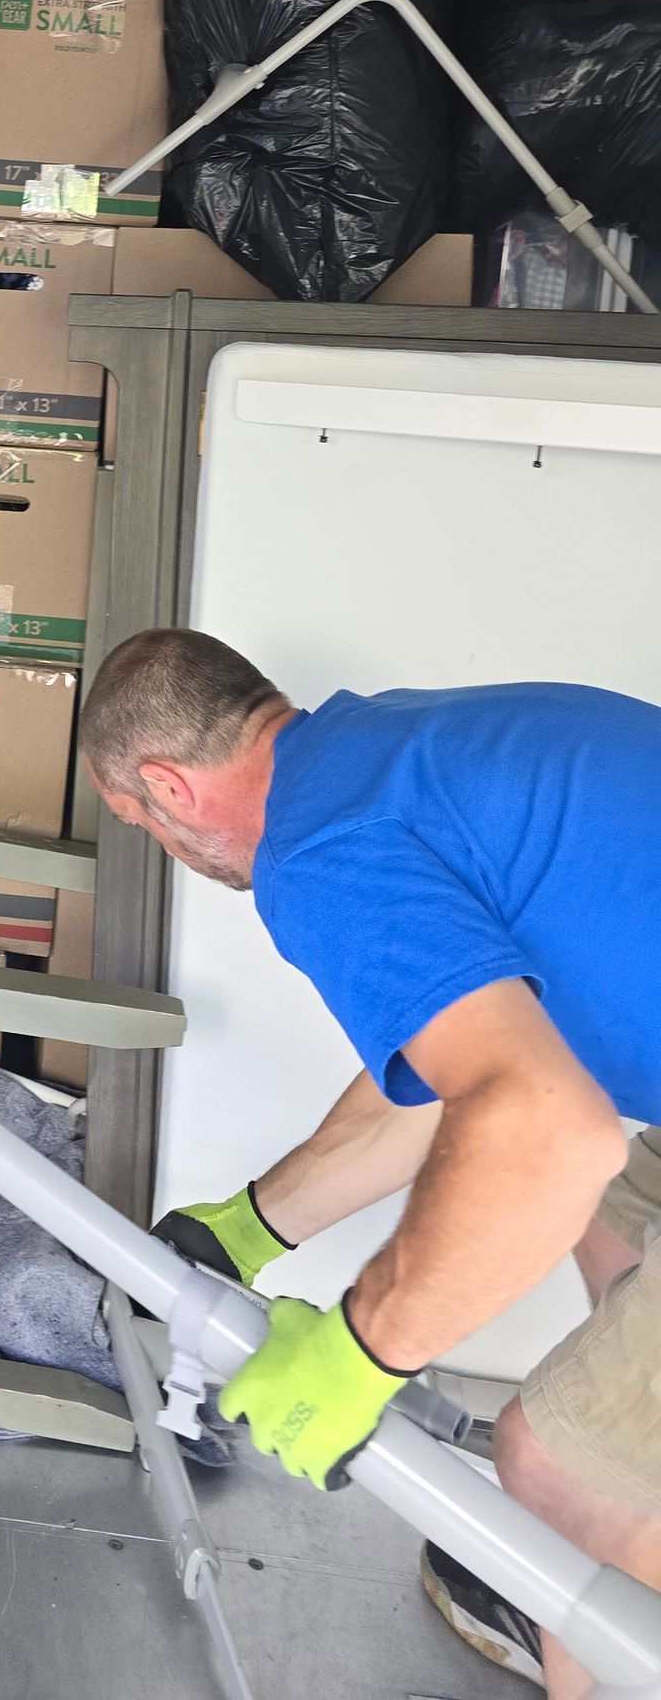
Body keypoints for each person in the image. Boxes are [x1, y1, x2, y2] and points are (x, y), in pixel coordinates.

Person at [81, 627, 661, 1696]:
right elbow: (470, 1069)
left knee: (559, 1468)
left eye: (140, 824)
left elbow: (545, 1126)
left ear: (167, 785)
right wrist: (252, 1226)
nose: (163, 847)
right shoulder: (380, 749)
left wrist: (363, 1350)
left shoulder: (316, 850)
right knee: (618, 1232)